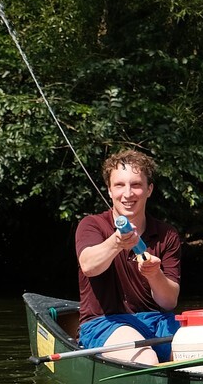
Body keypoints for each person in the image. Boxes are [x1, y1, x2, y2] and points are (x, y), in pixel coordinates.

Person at [76, 148, 182, 364]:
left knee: (201, 354)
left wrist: (154, 275)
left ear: (149, 189)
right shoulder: (91, 225)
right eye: (119, 185)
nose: (127, 194)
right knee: (147, 358)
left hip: (158, 321)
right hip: (103, 323)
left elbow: (169, 301)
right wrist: (116, 242)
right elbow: (88, 265)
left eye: (136, 185)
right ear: (109, 190)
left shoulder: (167, 234)